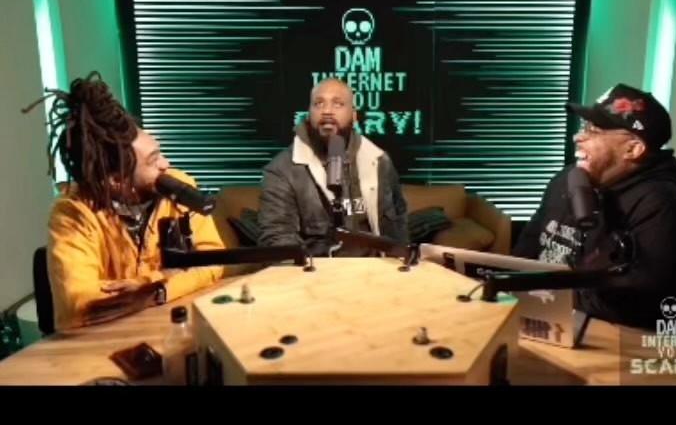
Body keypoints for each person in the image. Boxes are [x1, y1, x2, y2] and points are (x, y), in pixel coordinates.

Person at [23, 72, 226, 331]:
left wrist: (152, 290)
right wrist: (170, 277)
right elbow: (81, 301)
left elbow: (213, 261)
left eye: (159, 153)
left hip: (166, 325)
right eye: (153, 161)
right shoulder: (72, 213)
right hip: (99, 340)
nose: (166, 164)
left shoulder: (178, 185)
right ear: (116, 180)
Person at [512, 84, 676, 329]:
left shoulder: (663, 204)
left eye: (594, 131)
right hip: (540, 311)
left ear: (633, 149)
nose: (578, 137)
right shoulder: (565, 179)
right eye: (584, 127)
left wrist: (545, 294)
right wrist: (507, 287)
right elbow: (527, 249)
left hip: (610, 332)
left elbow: (640, 302)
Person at [258, 78, 408, 256]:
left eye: (338, 104)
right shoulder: (282, 170)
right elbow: (278, 240)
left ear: (354, 115)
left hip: (374, 269)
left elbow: (398, 225)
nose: (327, 111)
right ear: (308, 114)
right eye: (318, 104)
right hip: (315, 270)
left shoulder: (379, 161)